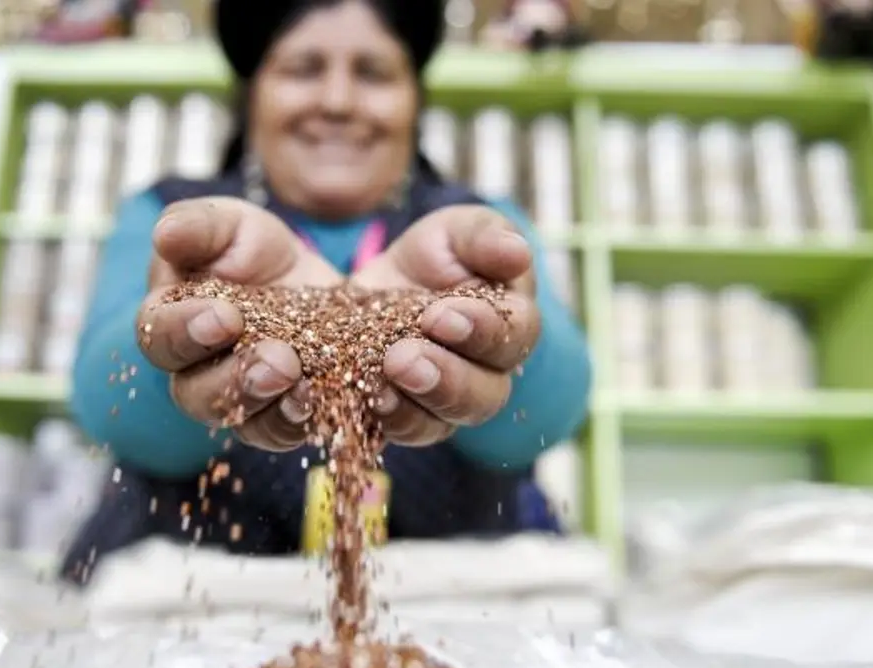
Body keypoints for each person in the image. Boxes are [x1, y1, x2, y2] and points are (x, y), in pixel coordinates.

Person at [61, 0, 592, 585]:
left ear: (415, 98)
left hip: (448, 605)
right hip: (195, 602)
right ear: (254, 91)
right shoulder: (178, 219)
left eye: (373, 73)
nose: (338, 102)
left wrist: (498, 334)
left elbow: (551, 415)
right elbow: (105, 405)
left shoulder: (477, 228)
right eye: (303, 70)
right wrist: (195, 332)